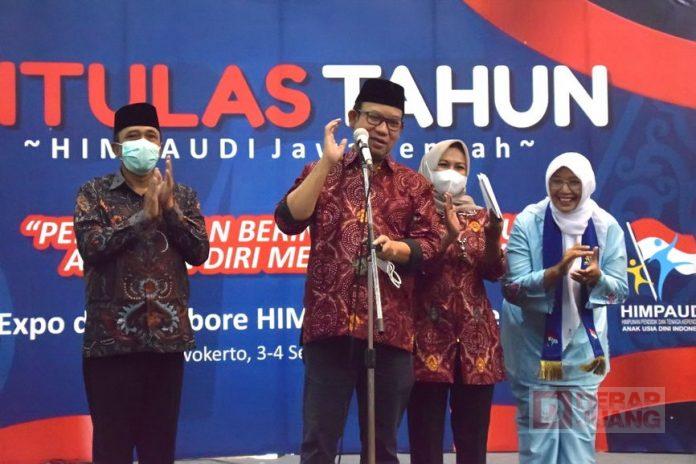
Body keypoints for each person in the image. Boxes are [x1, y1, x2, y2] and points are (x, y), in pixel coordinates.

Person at [274, 78, 440, 464]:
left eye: (393, 123)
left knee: (382, 447)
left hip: (389, 331)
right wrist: (326, 164)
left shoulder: (413, 185)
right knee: (319, 443)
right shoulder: (322, 170)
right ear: (353, 118)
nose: (382, 130)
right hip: (329, 327)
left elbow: (432, 245)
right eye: (374, 118)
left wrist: (397, 249)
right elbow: (287, 219)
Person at [74, 102, 210, 463]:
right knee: (112, 449)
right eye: (133, 136)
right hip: (111, 345)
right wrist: (141, 218)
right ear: (116, 147)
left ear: (161, 144)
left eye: (151, 136)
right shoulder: (94, 193)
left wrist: (170, 211)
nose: (144, 143)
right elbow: (91, 247)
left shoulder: (182, 195)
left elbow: (199, 252)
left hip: (166, 344)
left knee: (159, 450)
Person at [500, 152, 628, 464]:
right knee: (539, 448)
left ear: (587, 184)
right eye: (557, 181)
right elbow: (512, 288)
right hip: (534, 351)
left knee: (577, 449)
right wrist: (554, 273)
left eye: (573, 182)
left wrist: (598, 279)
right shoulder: (529, 222)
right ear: (547, 183)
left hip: (583, 354)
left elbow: (620, 290)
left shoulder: (607, 226)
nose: (564, 190)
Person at [407, 140, 505, 464]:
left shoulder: (480, 216)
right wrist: (447, 235)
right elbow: (415, 268)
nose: (452, 173)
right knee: (425, 443)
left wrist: (493, 237)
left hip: (477, 343)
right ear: (428, 168)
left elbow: (494, 272)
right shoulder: (413, 216)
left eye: (459, 167)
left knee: (473, 444)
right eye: (444, 165)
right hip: (426, 341)